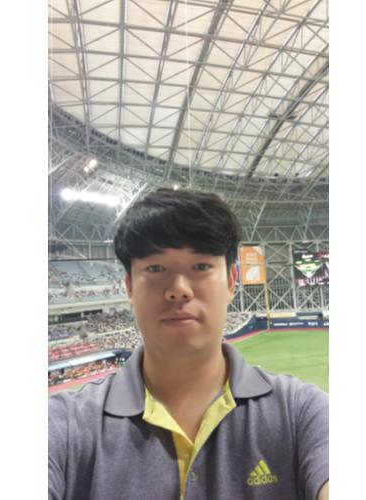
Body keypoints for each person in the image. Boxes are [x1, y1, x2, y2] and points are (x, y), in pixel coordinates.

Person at [49, 188, 329, 500]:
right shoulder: (64, 425)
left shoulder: (301, 412)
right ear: (129, 287)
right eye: (156, 268)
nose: (179, 289)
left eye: (200, 267)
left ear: (231, 281)